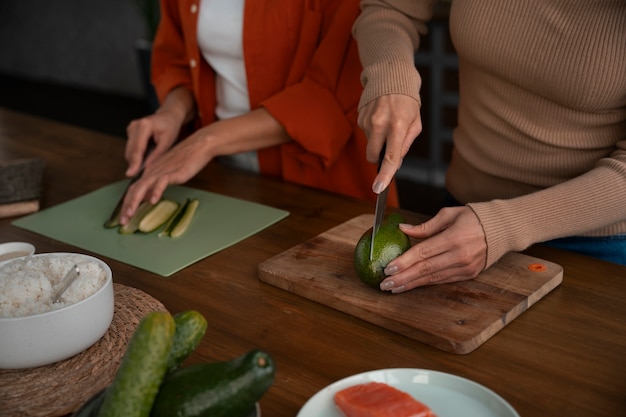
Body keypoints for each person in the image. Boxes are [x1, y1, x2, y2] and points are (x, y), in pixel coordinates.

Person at [352, 0, 626, 292]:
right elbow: (390, 8)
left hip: (591, 249)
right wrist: (390, 74)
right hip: (458, 215)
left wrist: (504, 225)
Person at [118, 0, 399, 226]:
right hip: (223, 173)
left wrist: (206, 141)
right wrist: (172, 111)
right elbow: (178, 58)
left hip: (318, 184)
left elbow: (330, 96)